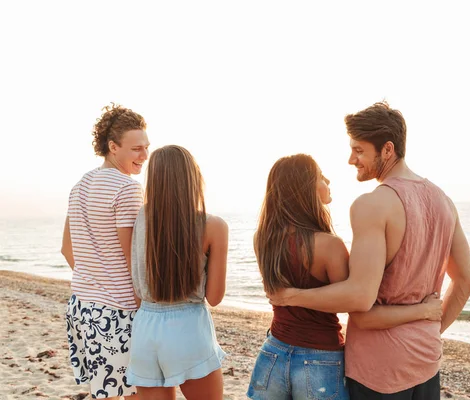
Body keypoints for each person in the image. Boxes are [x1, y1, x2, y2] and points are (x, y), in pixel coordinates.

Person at [269, 102, 470, 399]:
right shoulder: (444, 201)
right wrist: (427, 328)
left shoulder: (371, 205)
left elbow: (361, 302)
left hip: (379, 370)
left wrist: (292, 296)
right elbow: (466, 281)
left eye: (359, 150)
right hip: (427, 360)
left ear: (387, 150)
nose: (351, 159)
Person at [247, 154, 443, 400]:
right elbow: (353, 301)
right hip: (319, 358)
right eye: (320, 176)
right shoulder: (329, 246)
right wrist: (423, 310)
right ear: (304, 188)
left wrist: (291, 298)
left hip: (273, 352)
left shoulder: (263, 239)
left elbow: (283, 293)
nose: (327, 180)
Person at [125, 145, 228, 400]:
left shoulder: (141, 220)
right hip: (188, 329)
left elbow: (137, 287)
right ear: (193, 177)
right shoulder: (213, 226)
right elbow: (214, 297)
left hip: (146, 328)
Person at [62, 103, 150, 399]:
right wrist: (143, 307)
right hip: (116, 312)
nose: (145, 156)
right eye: (137, 149)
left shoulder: (79, 186)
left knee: (105, 392)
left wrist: (95, 278)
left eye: (146, 147)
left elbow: (66, 248)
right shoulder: (127, 189)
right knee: (133, 393)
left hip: (81, 306)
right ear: (113, 146)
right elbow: (133, 260)